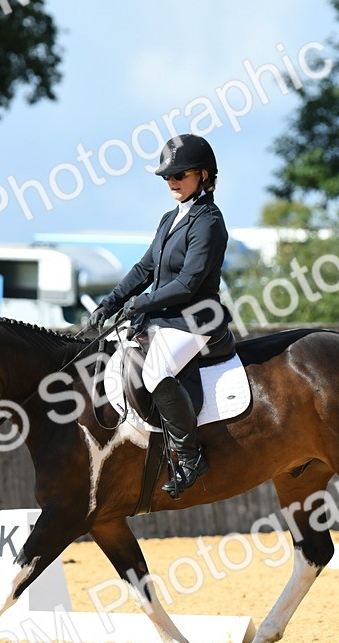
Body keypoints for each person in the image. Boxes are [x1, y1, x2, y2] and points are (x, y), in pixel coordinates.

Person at [86, 134, 231, 498]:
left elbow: (187, 283)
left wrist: (142, 304)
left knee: (156, 370)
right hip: (163, 317)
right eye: (168, 175)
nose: (172, 181)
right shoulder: (170, 218)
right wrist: (113, 300)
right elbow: (146, 267)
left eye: (180, 174)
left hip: (196, 318)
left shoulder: (209, 221)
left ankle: (190, 457)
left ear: (203, 175)